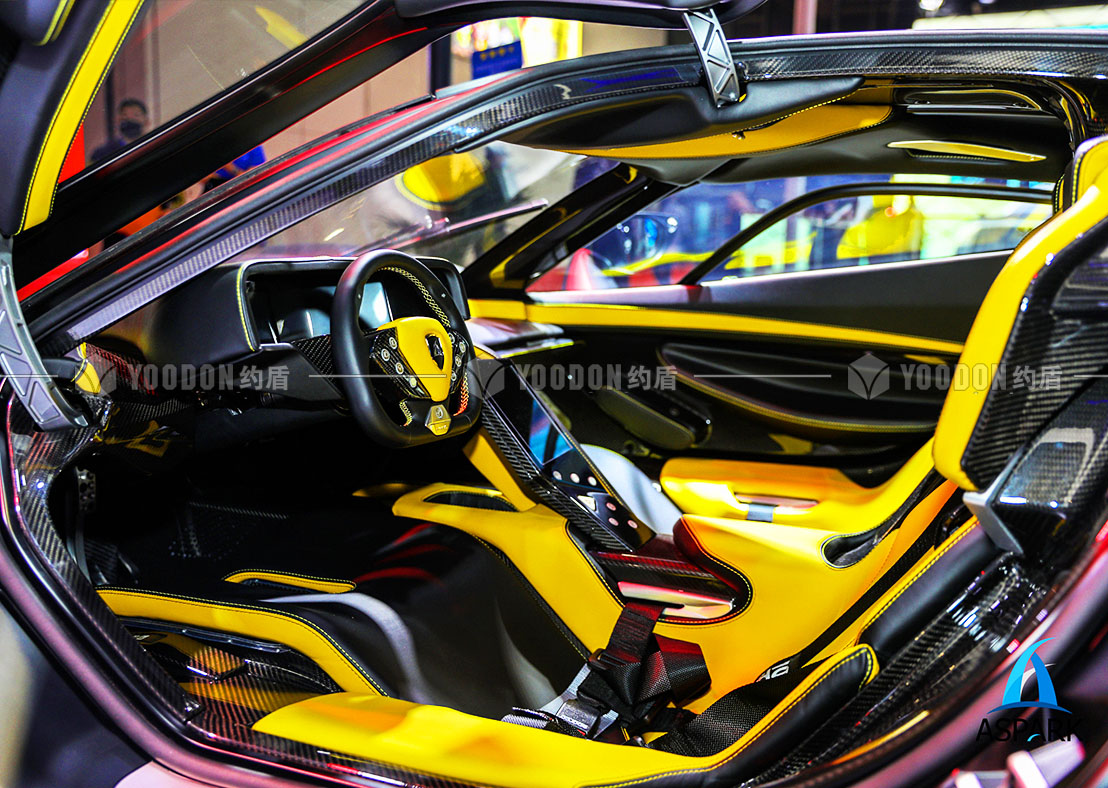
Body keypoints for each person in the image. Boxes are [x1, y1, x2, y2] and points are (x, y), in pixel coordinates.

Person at [91, 98, 149, 162]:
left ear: (146, 121)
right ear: (118, 121)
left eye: (136, 115)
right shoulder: (102, 153)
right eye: (125, 115)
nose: (130, 119)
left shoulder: (151, 145)